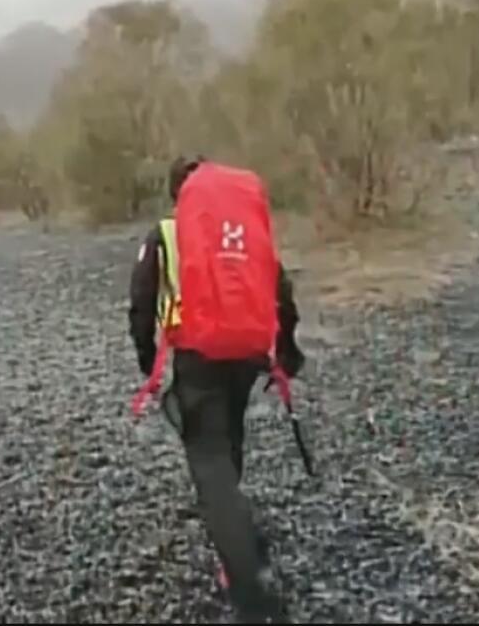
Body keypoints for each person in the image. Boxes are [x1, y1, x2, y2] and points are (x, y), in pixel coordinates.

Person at [127, 156, 304, 624]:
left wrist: (147, 360)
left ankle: (246, 578)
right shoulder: (240, 232)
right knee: (230, 435)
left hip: (197, 356)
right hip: (247, 352)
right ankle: (238, 532)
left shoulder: (165, 235)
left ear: (175, 195)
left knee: (207, 460)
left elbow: (141, 303)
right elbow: (279, 288)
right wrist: (287, 352)